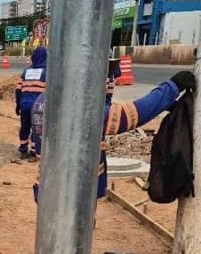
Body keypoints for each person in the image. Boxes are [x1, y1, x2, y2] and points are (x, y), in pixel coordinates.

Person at [31, 70, 196, 203]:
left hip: (52, 187)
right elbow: (129, 116)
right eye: (108, 78)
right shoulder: (78, 105)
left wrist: (162, 104)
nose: (110, 84)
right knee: (72, 233)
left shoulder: (47, 99)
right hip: (73, 193)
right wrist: (172, 87)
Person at [15, 46, 47, 160]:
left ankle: (23, 149)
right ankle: (33, 152)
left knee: (25, 126)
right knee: (37, 129)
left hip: (24, 104)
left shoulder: (26, 71)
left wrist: (18, 104)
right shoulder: (47, 72)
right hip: (38, 106)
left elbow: (18, 89)